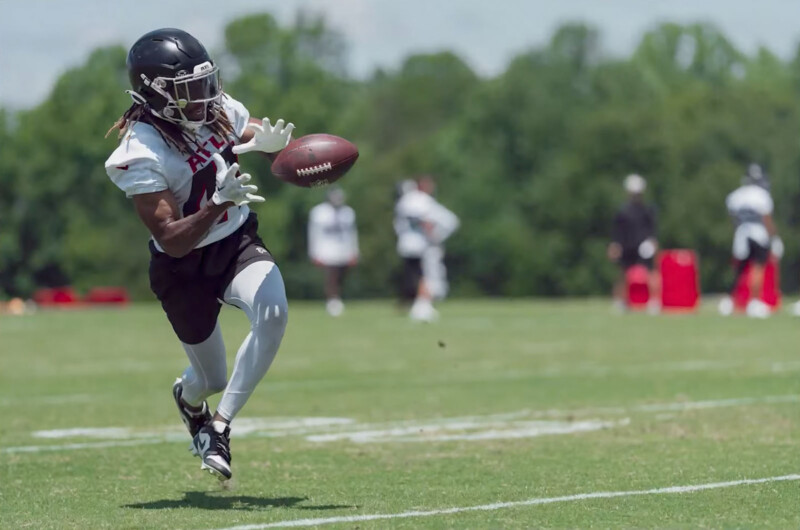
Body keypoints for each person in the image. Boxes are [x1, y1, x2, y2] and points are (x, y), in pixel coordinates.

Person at [104, 28, 295, 481]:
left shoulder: (215, 111)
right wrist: (217, 203)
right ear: (157, 96)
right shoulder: (139, 151)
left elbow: (246, 133)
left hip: (235, 242)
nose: (207, 97)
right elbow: (171, 238)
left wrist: (275, 148)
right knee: (210, 379)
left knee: (272, 312)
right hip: (183, 267)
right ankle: (190, 401)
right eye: (190, 89)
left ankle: (219, 427)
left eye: (207, 82)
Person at [718, 164, 782, 318]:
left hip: (741, 233)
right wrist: (774, 237)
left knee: (739, 269)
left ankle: (729, 301)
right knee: (758, 267)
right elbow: (766, 219)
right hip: (758, 233)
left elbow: (733, 218)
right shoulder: (762, 195)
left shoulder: (736, 195)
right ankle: (754, 301)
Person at [394, 176, 459, 322]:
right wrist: (435, 236)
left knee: (414, 276)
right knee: (424, 275)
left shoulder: (403, 202)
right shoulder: (421, 200)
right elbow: (427, 221)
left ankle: (417, 304)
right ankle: (422, 305)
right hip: (421, 244)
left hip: (406, 243)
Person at [607, 174, 661, 313]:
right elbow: (617, 231)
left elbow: (652, 229)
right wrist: (615, 246)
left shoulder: (647, 210)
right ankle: (620, 302)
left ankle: (654, 302)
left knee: (650, 273)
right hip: (626, 245)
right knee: (623, 274)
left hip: (644, 245)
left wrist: (653, 242)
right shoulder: (622, 211)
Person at [307, 187, 359, 316]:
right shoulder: (319, 212)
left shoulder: (348, 213)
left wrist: (354, 251)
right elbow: (313, 233)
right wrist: (314, 253)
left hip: (343, 249)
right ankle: (332, 301)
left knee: (341, 276)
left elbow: (352, 233)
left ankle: (337, 298)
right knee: (331, 276)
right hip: (326, 249)